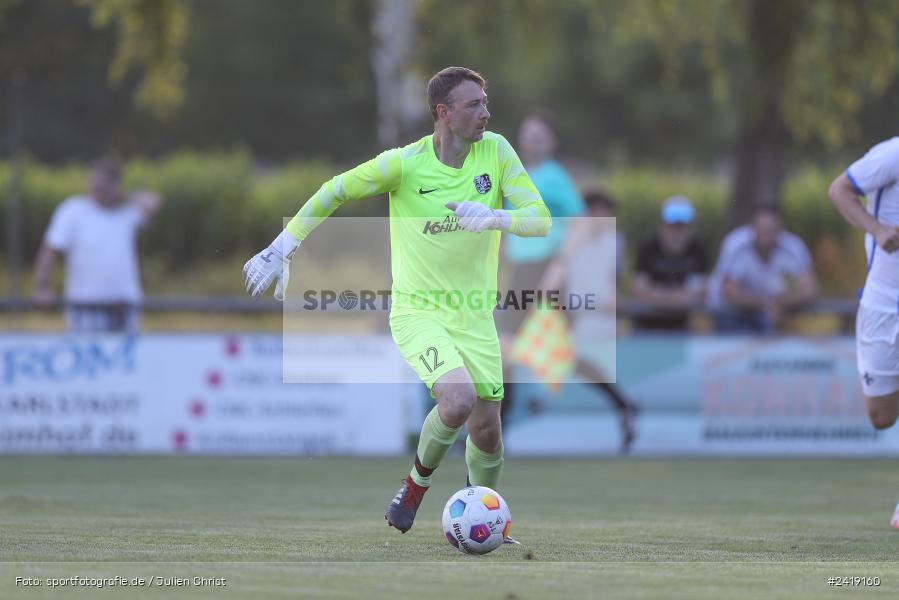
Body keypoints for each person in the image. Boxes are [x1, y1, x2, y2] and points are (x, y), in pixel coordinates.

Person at [242, 67, 551, 537]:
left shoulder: (498, 151)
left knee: (487, 428)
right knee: (459, 399)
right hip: (417, 311)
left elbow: (541, 219)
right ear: (443, 114)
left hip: (474, 313)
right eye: (474, 105)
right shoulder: (405, 164)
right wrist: (283, 246)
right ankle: (414, 486)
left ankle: (487, 517)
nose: (485, 113)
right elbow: (337, 189)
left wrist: (494, 217)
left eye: (486, 103)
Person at [828, 138, 899, 528]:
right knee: (881, 416)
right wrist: (877, 229)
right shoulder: (893, 155)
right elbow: (838, 190)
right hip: (884, 303)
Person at [497, 111, 585, 421]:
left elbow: (579, 222)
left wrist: (560, 265)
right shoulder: (515, 173)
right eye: (527, 134)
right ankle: (497, 427)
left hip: (546, 270)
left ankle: (498, 427)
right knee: (509, 347)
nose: (531, 141)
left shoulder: (555, 176)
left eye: (538, 136)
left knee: (549, 351)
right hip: (522, 270)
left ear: (551, 142)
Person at [540, 190, 639, 452]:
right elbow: (559, 277)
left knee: (591, 367)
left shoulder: (616, 241)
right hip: (577, 315)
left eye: (605, 211)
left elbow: (617, 277)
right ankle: (623, 406)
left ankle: (623, 408)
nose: (600, 217)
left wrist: (617, 307)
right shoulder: (571, 238)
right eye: (595, 210)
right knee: (576, 364)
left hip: (603, 315)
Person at [33, 158, 161, 332]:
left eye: (104, 185)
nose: (98, 190)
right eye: (95, 184)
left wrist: (125, 196)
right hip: (86, 309)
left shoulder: (127, 213)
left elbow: (153, 202)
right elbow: (51, 249)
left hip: (124, 307)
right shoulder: (73, 210)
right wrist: (42, 286)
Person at [706, 206, 817, 333]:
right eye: (762, 229)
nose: (766, 233)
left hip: (767, 314)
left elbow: (809, 290)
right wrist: (768, 303)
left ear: (780, 228)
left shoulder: (793, 246)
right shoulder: (736, 244)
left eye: (770, 229)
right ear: (752, 227)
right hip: (730, 313)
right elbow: (730, 292)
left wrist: (782, 303)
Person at [632, 195, 709, 331]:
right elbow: (639, 289)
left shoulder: (698, 250)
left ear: (691, 227)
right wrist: (678, 297)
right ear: (663, 224)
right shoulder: (648, 247)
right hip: (645, 323)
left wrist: (660, 295)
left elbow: (700, 292)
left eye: (682, 225)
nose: (677, 231)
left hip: (681, 324)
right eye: (673, 225)